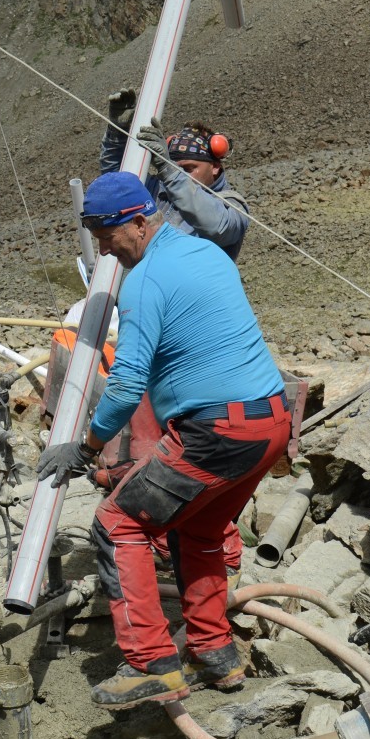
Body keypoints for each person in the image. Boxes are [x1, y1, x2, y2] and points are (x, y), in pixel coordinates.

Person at [37, 172, 291, 709]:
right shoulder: (204, 253)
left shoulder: (147, 280)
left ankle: (150, 662)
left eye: (108, 237)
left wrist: (85, 447)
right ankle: (215, 654)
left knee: (117, 524)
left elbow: (127, 382)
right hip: (270, 423)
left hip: (217, 431)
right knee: (198, 530)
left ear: (138, 221)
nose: (105, 250)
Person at [92, 92, 255, 591]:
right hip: (152, 338)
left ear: (213, 168)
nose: (182, 172)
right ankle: (161, 541)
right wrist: (118, 135)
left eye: (191, 166)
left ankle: (217, 551)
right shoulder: (157, 199)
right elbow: (115, 191)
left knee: (199, 462)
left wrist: (167, 170)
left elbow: (214, 223)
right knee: (150, 450)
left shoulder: (228, 205)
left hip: (197, 350)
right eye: (175, 164)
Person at [100, 89, 250, 260]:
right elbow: (117, 183)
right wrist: (118, 131)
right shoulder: (159, 191)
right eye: (175, 168)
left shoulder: (232, 206)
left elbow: (217, 227)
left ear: (215, 166)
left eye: (188, 169)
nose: (179, 175)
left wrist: (168, 168)